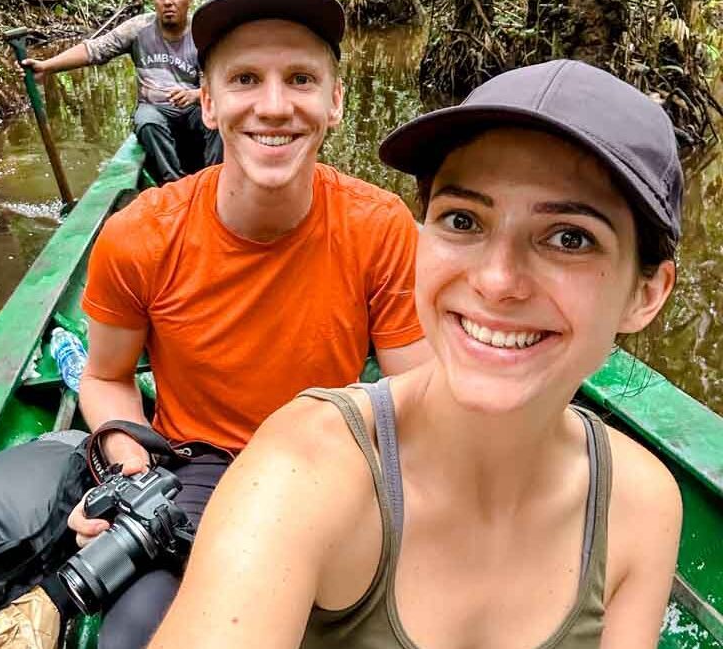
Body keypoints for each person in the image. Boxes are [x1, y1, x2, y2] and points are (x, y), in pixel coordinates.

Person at [149, 59, 684, 649]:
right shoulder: (304, 474)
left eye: (569, 238)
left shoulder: (640, 503)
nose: (496, 281)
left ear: (646, 294)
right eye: (463, 220)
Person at [69, 0, 433, 649]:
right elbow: (107, 376)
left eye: (300, 79)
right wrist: (128, 467)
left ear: (335, 102)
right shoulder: (139, 236)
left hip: (334, 461)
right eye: (244, 79)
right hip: (194, 470)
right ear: (208, 103)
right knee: (133, 635)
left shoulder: (381, 227)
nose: (273, 106)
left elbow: (419, 398)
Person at [22, 0, 222, 185]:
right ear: (153, 0)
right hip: (155, 108)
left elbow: (219, 82)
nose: (167, 2)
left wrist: (195, 94)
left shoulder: (202, 32)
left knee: (219, 115)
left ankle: (214, 181)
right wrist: (47, 66)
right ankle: (174, 185)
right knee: (146, 121)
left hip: (194, 107)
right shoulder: (139, 28)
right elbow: (94, 50)